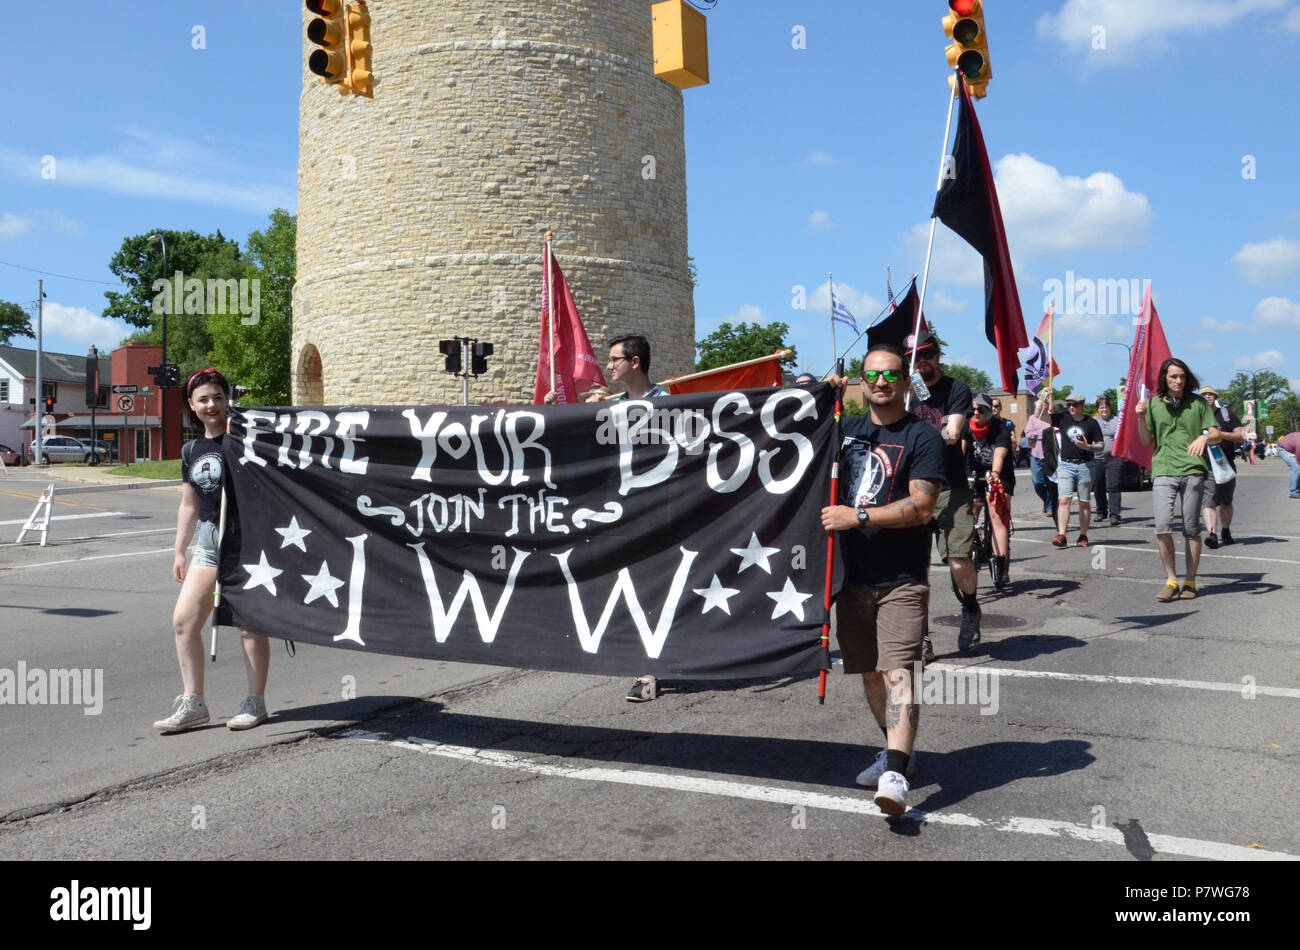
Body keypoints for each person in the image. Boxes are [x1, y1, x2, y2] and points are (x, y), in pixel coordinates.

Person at [820, 344, 944, 816]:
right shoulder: (845, 430)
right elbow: (788, 437)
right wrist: (818, 398)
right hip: (850, 579)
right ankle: (895, 753)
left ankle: (894, 770)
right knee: (871, 674)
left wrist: (860, 516)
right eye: (871, 375)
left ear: (905, 381)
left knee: (899, 673)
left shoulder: (922, 436)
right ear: (861, 381)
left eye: (890, 375)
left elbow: (923, 506)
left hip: (901, 579)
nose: (880, 383)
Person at [154, 369, 271, 733]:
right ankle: (194, 702)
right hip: (208, 542)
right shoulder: (192, 450)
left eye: (218, 397)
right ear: (192, 405)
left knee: (247, 627)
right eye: (203, 399)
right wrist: (179, 552)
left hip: (246, 540)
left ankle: (256, 701)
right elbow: (189, 504)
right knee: (184, 622)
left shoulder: (245, 441)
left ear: (227, 400)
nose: (212, 405)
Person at [584, 335, 670, 700]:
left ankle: (650, 670)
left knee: (655, 588)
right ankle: (644, 664)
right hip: (622, 511)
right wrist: (577, 412)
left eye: (615, 359)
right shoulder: (612, 406)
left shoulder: (670, 404)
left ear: (635, 363)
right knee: (630, 586)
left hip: (661, 510)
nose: (609, 366)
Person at [906, 330, 980, 653]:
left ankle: (971, 607)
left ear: (937, 355)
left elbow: (951, 435)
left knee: (958, 561)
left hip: (951, 486)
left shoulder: (956, 389)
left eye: (926, 355)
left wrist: (921, 434)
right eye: (916, 357)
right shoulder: (907, 393)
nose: (922, 363)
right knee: (915, 569)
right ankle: (922, 638)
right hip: (913, 488)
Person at [1136, 358, 1220, 602]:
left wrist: (1204, 437)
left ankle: (1190, 582)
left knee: (1191, 528)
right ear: (1164, 378)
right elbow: (1145, 441)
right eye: (1173, 376)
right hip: (1163, 469)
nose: (1178, 381)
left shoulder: (1198, 403)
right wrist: (1140, 418)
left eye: (1182, 376)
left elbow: (1214, 432)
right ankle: (1171, 580)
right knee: (1163, 526)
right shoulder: (1152, 405)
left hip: (1193, 470)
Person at [964, 393, 1014, 587]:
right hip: (974, 472)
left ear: (989, 412)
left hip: (999, 474)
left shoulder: (1000, 428)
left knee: (996, 517)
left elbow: (1000, 453)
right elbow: (961, 449)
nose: (976, 413)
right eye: (973, 410)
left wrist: (995, 472)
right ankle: (971, 546)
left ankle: (1001, 563)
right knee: (972, 508)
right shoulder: (966, 426)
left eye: (981, 410)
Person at [1050, 395, 1104, 548]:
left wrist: (1088, 447)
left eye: (1074, 404)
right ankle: (1062, 535)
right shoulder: (1063, 418)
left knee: (1084, 502)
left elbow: (1101, 445)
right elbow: (1041, 416)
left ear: (1082, 405)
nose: (1071, 407)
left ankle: (1083, 535)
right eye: (1069, 404)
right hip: (1066, 465)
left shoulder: (1091, 422)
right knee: (1064, 500)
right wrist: (1043, 398)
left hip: (1085, 465)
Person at [1198, 386, 1244, 548]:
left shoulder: (1226, 414)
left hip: (1226, 466)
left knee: (1226, 502)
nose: (1207, 396)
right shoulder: (1195, 416)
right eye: (1203, 395)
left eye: (1210, 394)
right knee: (1208, 501)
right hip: (1206, 465)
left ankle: (1225, 530)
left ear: (1215, 397)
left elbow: (1240, 436)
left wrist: (1218, 435)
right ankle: (1212, 534)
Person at [1024, 391, 1059, 517]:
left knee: (1050, 482)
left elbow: (1055, 433)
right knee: (1038, 483)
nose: (1044, 406)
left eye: (1046, 403)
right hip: (1036, 455)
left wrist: (1040, 433)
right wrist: (1043, 433)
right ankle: (1046, 501)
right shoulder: (1032, 418)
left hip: (1050, 455)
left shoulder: (1052, 418)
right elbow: (1028, 434)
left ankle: (1050, 506)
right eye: (1041, 404)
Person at [1092, 396, 1121, 525]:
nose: (1104, 409)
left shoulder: (1117, 420)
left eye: (1106, 407)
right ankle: (1101, 512)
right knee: (1098, 486)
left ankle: (1114, 514)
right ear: (1097, 409)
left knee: (1113, 486)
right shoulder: (1093, 421)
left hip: (1114, 458)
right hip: (1096, 458)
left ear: (1110, 408)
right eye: (1101, 407)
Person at [1277, 430, 1300, 498]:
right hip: (1283, 448)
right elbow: (1298, 457)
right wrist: (1297, 460)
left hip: (1293, 448)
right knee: (1297, 467)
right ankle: (1293, 492)